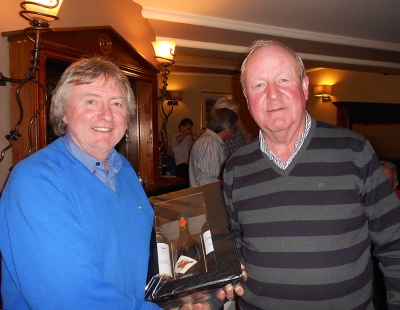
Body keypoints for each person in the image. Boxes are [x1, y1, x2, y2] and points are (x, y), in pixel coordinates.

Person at [223, 40, 400, 309]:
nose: (272, 94)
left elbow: (395, 242)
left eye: (283, 80)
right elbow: (231, 244)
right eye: (259, 85)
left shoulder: (354, 151)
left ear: (304, 88)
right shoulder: (235, 167)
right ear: (247, 99)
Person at [189, 108, 238, 187]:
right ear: (226, 129)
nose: (233, 132)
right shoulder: (210, 143)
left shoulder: (207, 140)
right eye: (234, 129)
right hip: (207, 198)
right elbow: (207, 181)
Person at [171, 118, 195, 183]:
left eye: (190, 129)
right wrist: (185, 133)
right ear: (181, 127)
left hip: (189, 165)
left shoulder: (188, 138)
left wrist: (192, 137)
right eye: (187, 129)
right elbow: (178, 140)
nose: (189, 131)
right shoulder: (175, 137)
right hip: (181, 165)